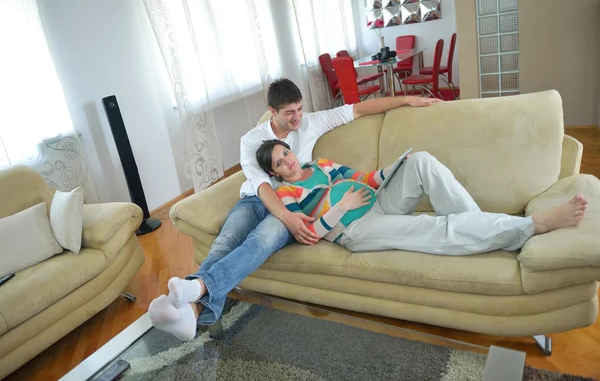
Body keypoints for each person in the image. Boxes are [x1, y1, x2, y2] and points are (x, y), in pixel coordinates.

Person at [147, 78, 442, 341]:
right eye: (290, 112)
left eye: (300, 109)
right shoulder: (251, 140)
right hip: (255, 199)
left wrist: (408, 99)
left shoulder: (311, 121)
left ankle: (194, 302)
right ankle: (195, 308)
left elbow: (359, 109)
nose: (297, 117)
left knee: (260, 241)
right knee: (225, 242)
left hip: (295, 201)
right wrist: (286, 218)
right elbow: (261, 186)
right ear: (272, 111)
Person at [255, 139, 588, 255]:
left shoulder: (322, 164)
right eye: (279, 163)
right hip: (354, 229)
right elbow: (309, 232)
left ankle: (486, 228)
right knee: (432, 228)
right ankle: (530, 226)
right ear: (275, 173)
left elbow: (361, 178)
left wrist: (393, 168)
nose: (288, 161)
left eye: (286, 152)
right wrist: (342, 206)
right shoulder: (286, 193)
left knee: (422, 161)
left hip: (379, 200)